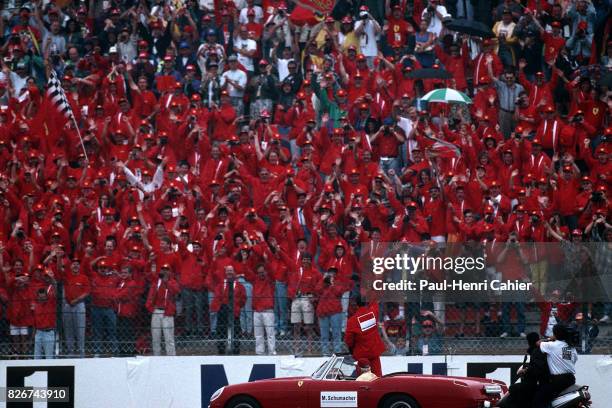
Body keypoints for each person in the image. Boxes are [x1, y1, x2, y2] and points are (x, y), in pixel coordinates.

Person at [533, 324, 578, 408]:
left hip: (558, 381)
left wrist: (550, 338)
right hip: (571, 379)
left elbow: (538, 343)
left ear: (555, 334)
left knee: (538, 399)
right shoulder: (570, 347)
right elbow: (574, 360)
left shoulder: (551, 345)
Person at [503, 332, 550, 407]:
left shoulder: (537, 351)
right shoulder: (540, 350)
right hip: (538, 382)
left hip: (537, 383)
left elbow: (536, 369)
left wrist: (525, 371)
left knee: (513, 389)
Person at [145, 264, 180, 356]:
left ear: (170, 271)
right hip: (156, 312)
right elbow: (150, 297)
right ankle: (157, 357)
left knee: (169, 338)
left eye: (167, 269)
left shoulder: (173, 282)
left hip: (167, 313)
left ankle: (171, 358)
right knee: (155, 338)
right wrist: (151, 308)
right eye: (163, 269)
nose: (165, 271)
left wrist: (166, 282)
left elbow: (176, 291)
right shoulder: (156, 283)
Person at [345, 298, 385, 377]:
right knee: (377, 378)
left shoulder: (352, 321)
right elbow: (375, 302)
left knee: (363, 380)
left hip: (362, 356)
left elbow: (349, 341)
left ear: (356, 306)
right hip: (374, 353)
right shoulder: (372, 313)